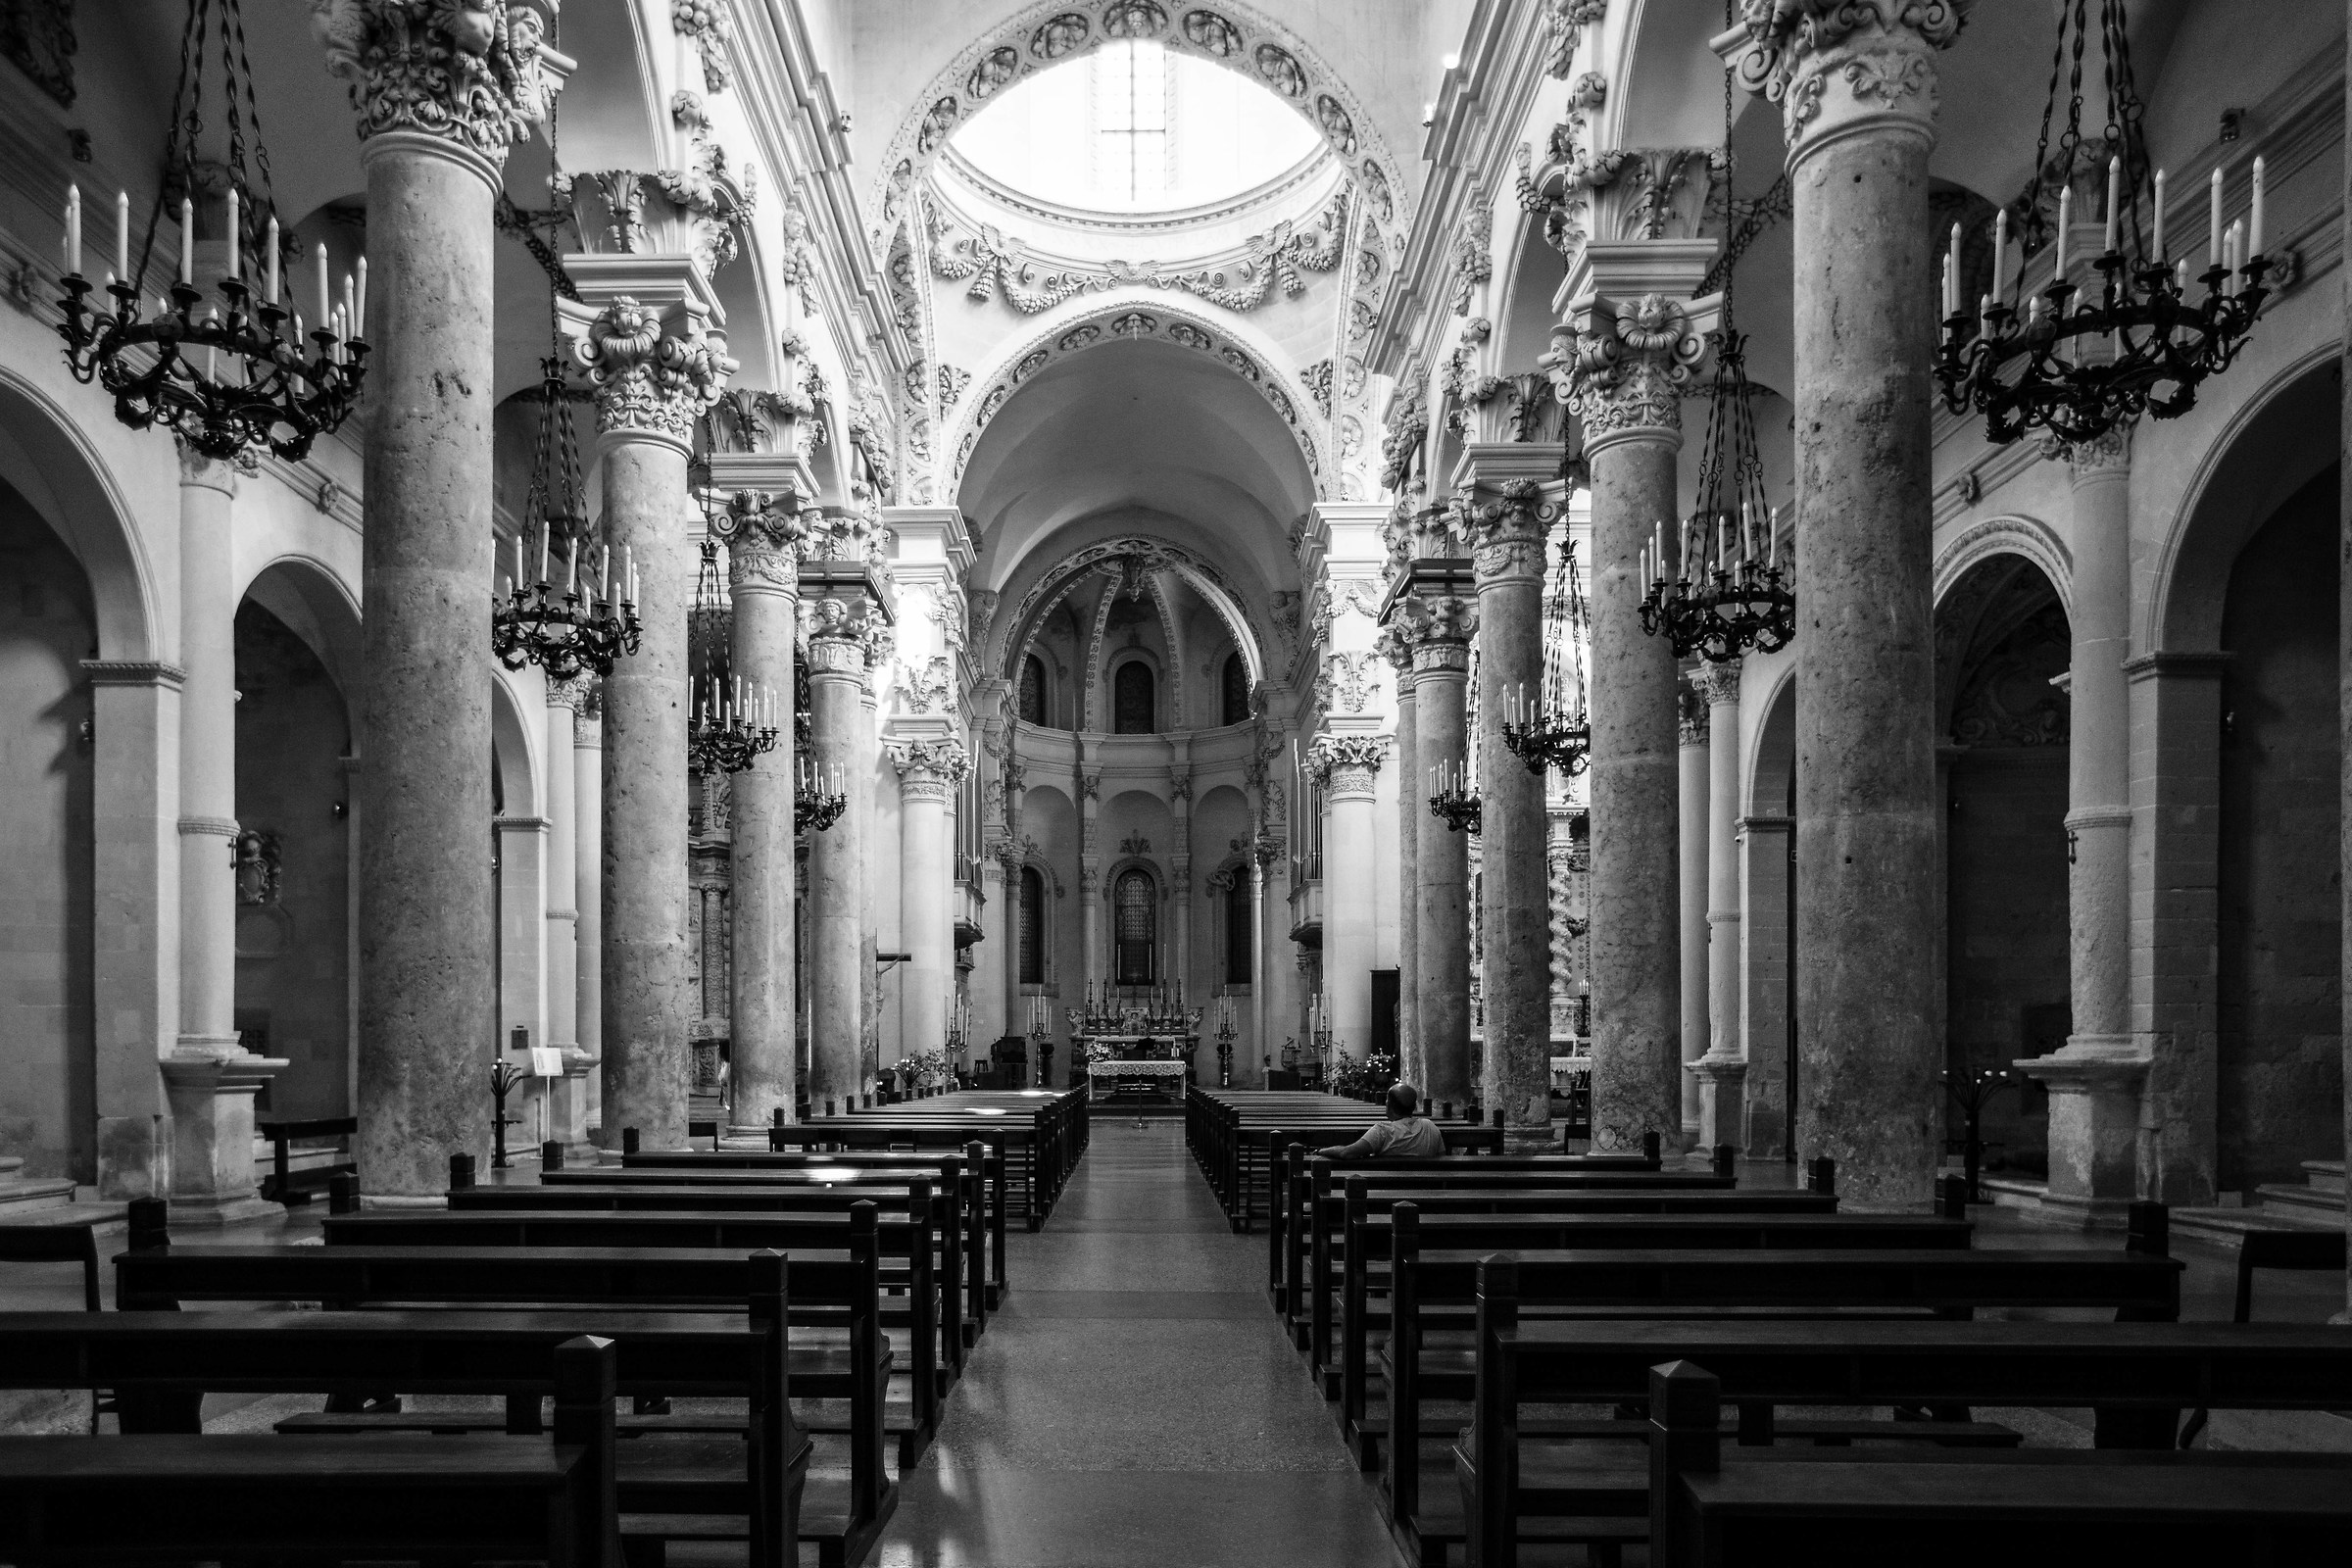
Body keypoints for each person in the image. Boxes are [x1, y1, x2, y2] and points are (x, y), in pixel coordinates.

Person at [1316, 1083, 1448, 1159]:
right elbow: (1442, 1156)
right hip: (1426, 1191)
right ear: (1414, 1107)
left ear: (1388, 1106)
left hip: (1387, 1191)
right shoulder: (1430, 1126)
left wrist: (1321, 1151)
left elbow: (1347, 1153)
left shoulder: (1383, 1131)